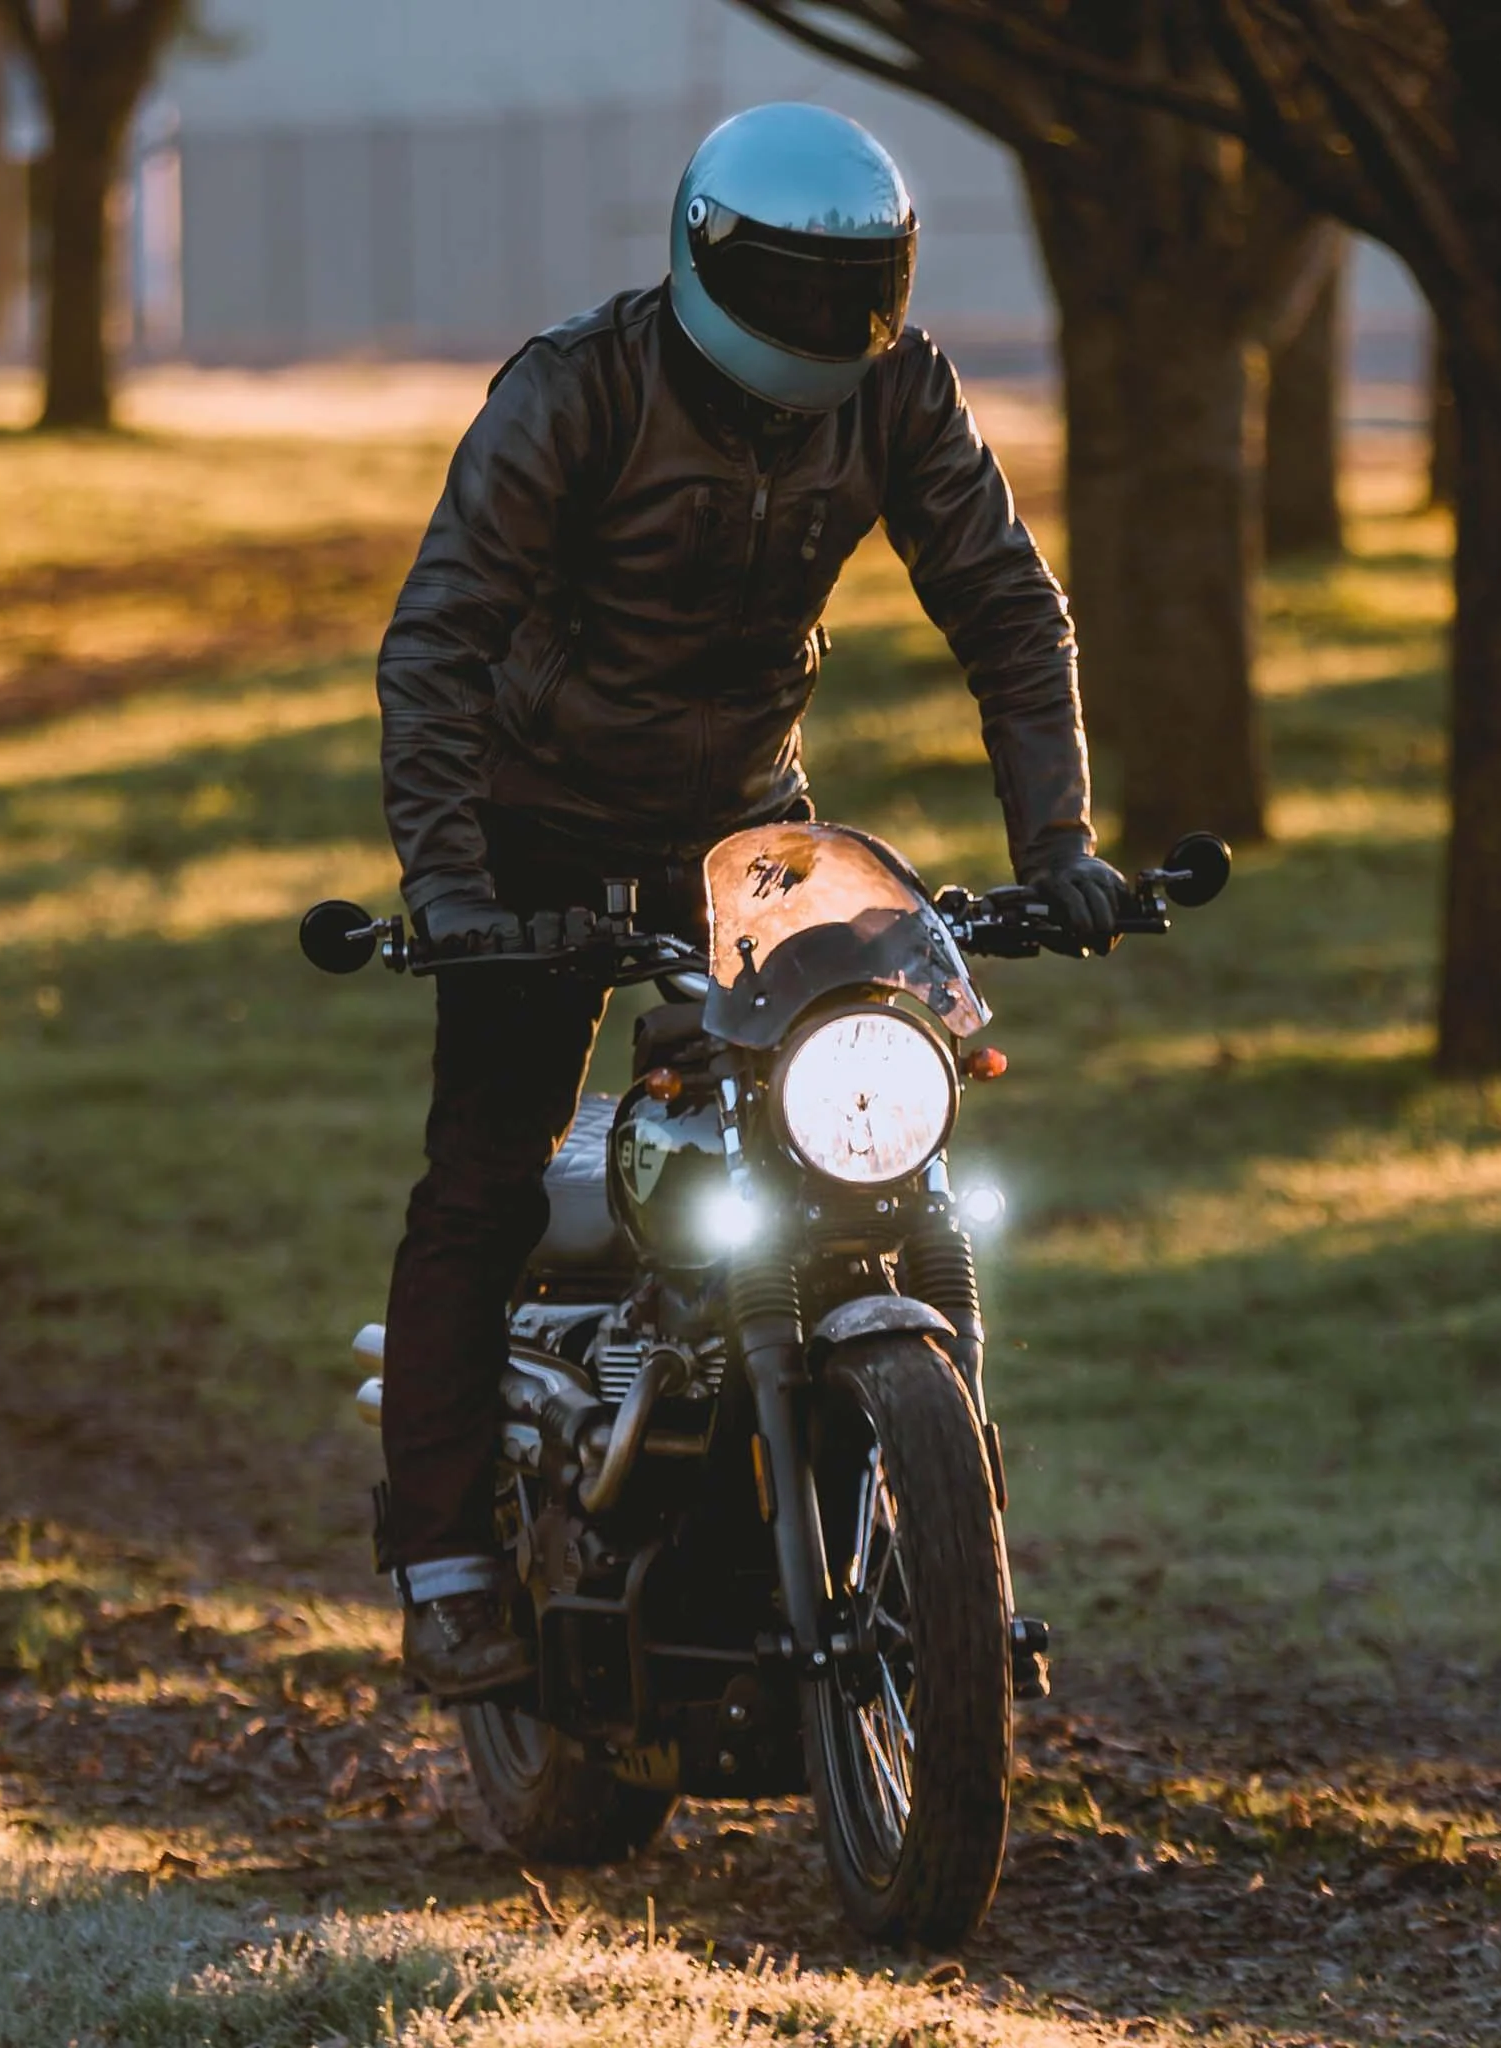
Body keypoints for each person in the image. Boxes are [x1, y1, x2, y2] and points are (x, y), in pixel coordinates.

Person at [376, 102, 1127, 1697]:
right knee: (487, 1170)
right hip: (535, 823)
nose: (821, 317)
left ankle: (919, 1526)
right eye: (788, 281)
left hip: (746, 829)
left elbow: (1006, 604)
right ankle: (444, 1559)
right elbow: (441, 642)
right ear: (705, 256)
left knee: (866, 1152)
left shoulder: (898, 390)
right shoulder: (577, 391)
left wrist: (1060, 846)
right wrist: (450, 887)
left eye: (856, 287)